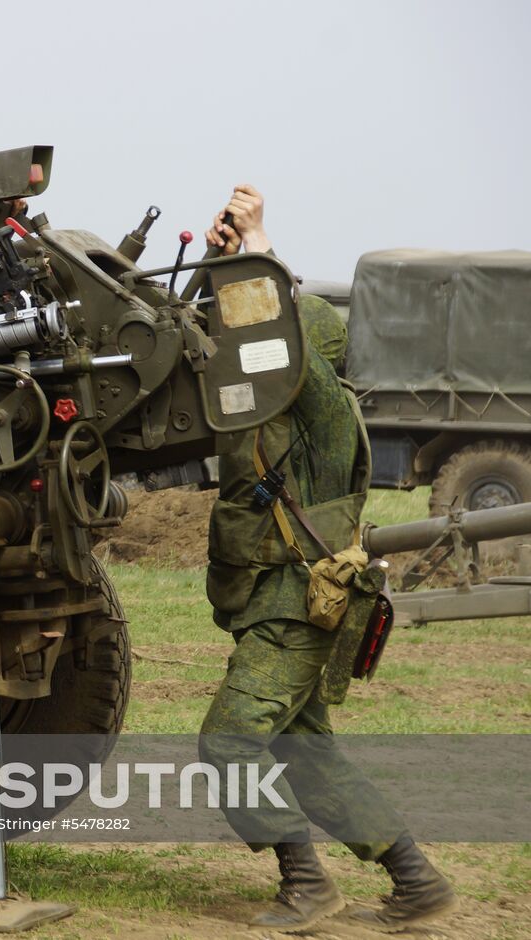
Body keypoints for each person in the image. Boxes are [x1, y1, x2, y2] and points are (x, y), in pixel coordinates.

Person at [199, 187, 457, 933]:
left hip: (296, 606)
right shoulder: (263, 411)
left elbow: (287, 335)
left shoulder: (324, 412)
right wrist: (226, 260)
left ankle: (308, 884)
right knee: (309, 755)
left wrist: (260, 248)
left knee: (228, 741)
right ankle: (417, 881)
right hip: (274, 603)